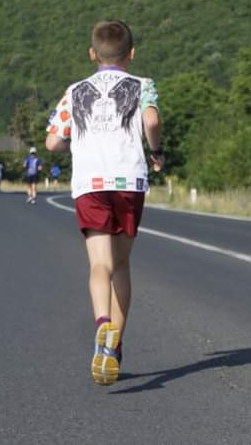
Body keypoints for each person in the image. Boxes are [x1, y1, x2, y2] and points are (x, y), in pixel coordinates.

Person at [45, 19, 163, 386]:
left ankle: (101, 325)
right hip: (128, 181)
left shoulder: (75, 90)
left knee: (100, 263)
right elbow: (152, 121)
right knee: (123, 265)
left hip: (90, 183)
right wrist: (157, 152)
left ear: (92, 54)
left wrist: (75, 143)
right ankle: (115, 347)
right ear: (131, 53)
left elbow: (52, 142)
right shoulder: (143, 85)